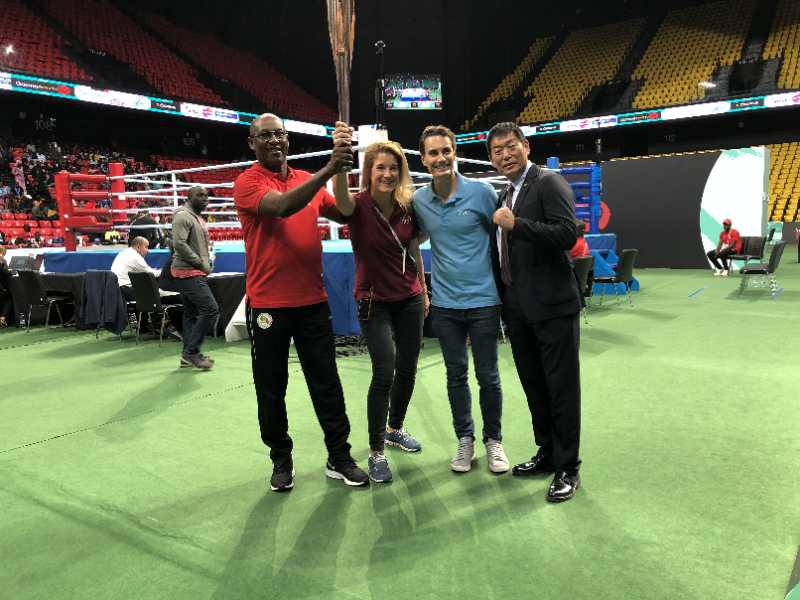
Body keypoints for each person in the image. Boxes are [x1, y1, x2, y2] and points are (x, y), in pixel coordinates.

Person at [234, 113, 368, 491]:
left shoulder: (305, 179)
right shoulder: (247, 182)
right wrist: (329, 168)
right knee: (271, 387)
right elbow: (281, 207)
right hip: (268, 306)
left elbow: (344, 212)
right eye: (265, 136)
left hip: (312, 302)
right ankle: (281, 457)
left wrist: (343, 168)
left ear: (288, 139)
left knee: (327, 383)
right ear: (252, 143)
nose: (274, 140)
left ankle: (339, 456)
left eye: (279, 134)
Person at [487, 122, 583, 502]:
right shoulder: (505, 194)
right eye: (497, 150)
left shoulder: (548, 182)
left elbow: (567, 234)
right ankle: (548, 452)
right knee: (535, 386)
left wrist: (518, 225)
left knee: (561, 389)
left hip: (553, 306)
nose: (505, 154)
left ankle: (568, 467)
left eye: (510, 146)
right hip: (518, 307)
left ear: (526, 146)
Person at [331, 127, 428, 483]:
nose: (387, 174)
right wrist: (340, 159)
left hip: (410, 298)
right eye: (380, 168)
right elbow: (339, 198)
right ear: (368, 172)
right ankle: (376, 451)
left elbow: (413, 250)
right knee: (384, 370)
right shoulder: (356, 205)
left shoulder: (407, 207)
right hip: (374, 303)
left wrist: (424, 291)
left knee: (408, 368)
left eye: (393, 168)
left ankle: (394, 428)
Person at [412, 124, 509, 474]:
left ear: (454, 153)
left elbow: (503, 237)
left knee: (488, 376)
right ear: (423, 160)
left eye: (446, 151)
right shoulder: (419, 201)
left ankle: (493, 440)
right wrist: (421, 289)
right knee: (456, 375)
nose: (441, 158)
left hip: (484, 301)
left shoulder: (482, 193)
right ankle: (464, 440)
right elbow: (413, 239)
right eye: (433, 153)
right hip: (446, 305)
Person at [171, 186, 219, 370]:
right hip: (188, 271)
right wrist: (200, 263)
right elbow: (179, 244)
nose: (205, 198)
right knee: (210, 309)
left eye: (206, 195)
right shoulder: (183, 216)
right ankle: (191, 352)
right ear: (189, 197)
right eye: (200, 195)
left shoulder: (195, 217)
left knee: (190, 315)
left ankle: (187, 356)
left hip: (192, 271)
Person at [0, 246, 13, 327]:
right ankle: (2, 318)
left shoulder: (3, 261)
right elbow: (6, 272)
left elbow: (6, 270)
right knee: (9, 298)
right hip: (1, 289)